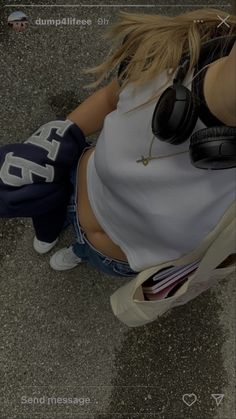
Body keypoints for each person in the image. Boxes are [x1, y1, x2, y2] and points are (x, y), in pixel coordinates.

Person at [0, 8, 236, 278]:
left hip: (113, 256)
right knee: (48, 213)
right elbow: (109, 99)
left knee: (85, 252)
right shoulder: (175, 51)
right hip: (76, 186)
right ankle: (55, 230)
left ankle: (79, 253)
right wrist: (58, 139)